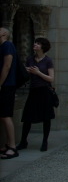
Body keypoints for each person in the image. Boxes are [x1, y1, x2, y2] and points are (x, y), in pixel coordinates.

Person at [16, 37, 55, 152]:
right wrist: (27, 71)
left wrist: (38, 73)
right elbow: (26, 76)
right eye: (35, 43)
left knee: (46, 117)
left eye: (38, 44)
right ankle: (24, 141)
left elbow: (51, 78)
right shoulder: (30, 59)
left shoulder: (48, 60)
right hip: (33, 91)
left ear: (43, 47)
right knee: (27, 117)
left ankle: (44, 141)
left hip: (44, 91)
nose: (35, 45)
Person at [0, 27, 19, 159]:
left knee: (6, 115)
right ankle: (8, 144)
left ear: (4, 33)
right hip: (5, 85)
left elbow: (7, 65)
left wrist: (0, 83)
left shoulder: (8, 45)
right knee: (3, 115)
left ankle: (12, 147)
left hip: (7, 86)